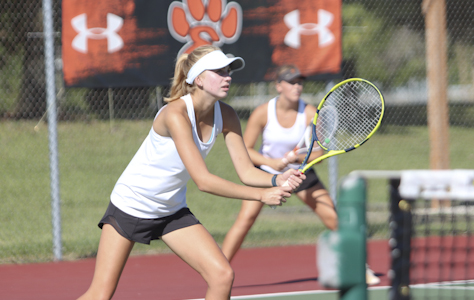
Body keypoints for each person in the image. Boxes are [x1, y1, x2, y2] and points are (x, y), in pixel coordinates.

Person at [76, 46, 305, 300]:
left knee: (222, 275)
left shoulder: (226, 114)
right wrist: (262, 196)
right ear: (198, 79)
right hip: (131, 204)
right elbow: (203, 181)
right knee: (100, 294)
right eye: (219, 71)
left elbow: (246, 171)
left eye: (228, 70)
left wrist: (276, 178)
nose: (227, 76)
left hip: (171, 211)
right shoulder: (175, 114)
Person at [221, 65, 380, 286]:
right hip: (267, 173)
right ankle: (218, 268)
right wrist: (273, 163)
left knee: (333, 218)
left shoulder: (309, 112)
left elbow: (319, 151)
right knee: (245, 219)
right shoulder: (262, 112)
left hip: (300, 172)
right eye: (291, 82)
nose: (297, 86)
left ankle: (360, 267)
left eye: (299, 82)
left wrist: (295, 159)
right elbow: (246, 149)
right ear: (278, 86)